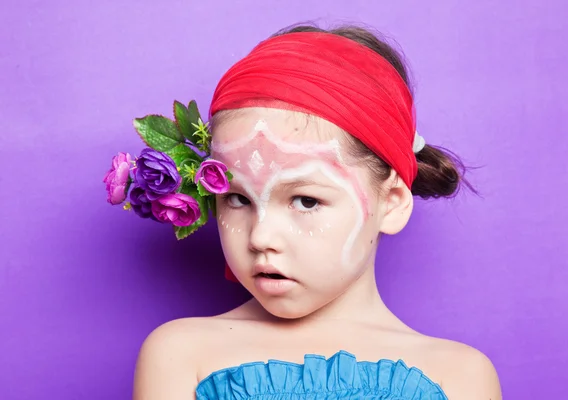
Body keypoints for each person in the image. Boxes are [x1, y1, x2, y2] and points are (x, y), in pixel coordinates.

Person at [129, 25, 502, 399]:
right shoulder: (182, 355)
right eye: (238, 198)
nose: (261, 237)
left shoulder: (459, 377)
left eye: (306, 201)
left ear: (390, 202)